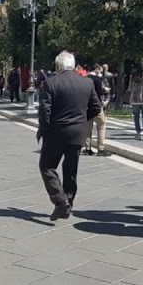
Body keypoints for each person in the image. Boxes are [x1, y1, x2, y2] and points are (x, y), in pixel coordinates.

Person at [36, 51, 101, 221]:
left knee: (47, 167)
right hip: (78, 132)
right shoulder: (87, 83)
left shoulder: (51, 83)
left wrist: (43, 130)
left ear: (58, 66)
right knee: (71, 170)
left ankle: (60, 200)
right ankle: (68, 203)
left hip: (56, 132)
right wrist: (81, 120)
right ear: (72, 65)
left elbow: (45, 112)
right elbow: (96, 107)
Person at [83, 64, 109, 155]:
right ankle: (100, 148)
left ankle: (87, 148)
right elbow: (100, 92)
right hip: (96, 106)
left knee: (87, 128)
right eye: (100, 71)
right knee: (101, 125)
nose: (100, 73)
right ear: (97, 69)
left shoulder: (84, 79)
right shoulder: (98, 80)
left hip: (86, 107)